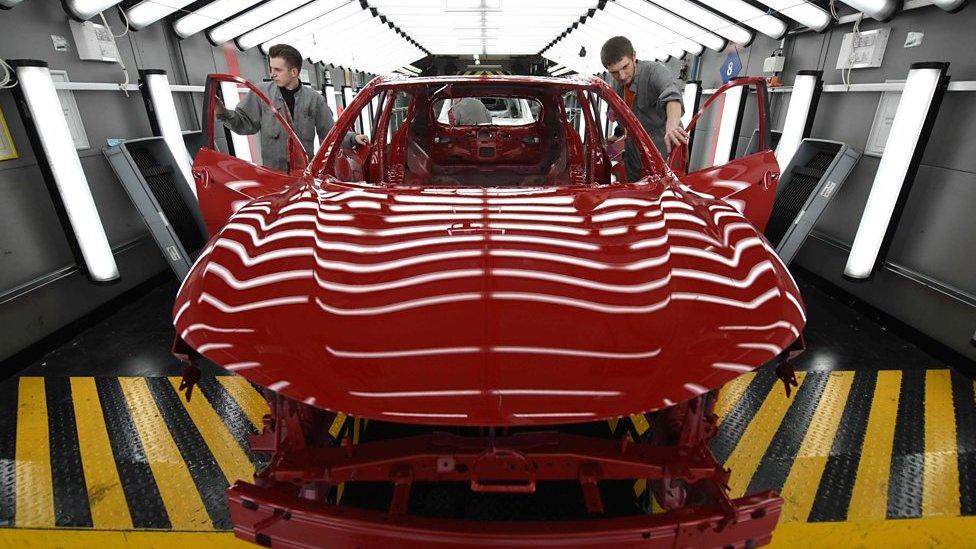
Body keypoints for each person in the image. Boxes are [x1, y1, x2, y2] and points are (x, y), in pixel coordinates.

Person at [215, 43, 367, 172]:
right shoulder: (261, 93)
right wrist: (223, 112)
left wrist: (353, 138)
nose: (272, 74)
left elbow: (329, 132)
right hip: (273, 175)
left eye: (278, 70)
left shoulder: (315, 99)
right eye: (271, 68)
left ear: (294, 72)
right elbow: (244, 123)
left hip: (304, 174)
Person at [601, 36, 688, 181]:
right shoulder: (615, 86)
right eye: (614, 72)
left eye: (625, 66)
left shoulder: (654, 71)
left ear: (634, 56)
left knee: (665, 194)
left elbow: (672, 96)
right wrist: (615, 137)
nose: (621, 76)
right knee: (635, 192)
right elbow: (625, 119)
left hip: (663, 149)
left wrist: (672, 127)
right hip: (634, 152)